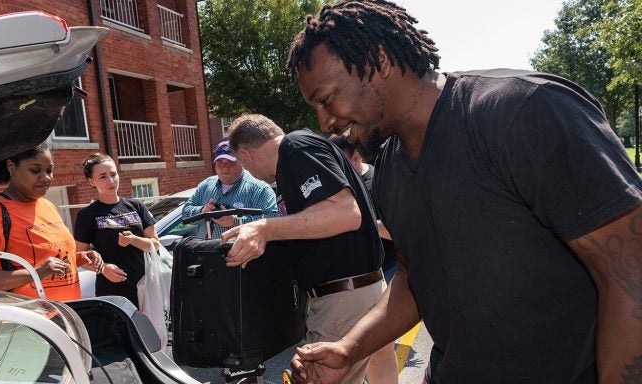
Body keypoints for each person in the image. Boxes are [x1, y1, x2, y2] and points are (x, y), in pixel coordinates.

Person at [285, 1, 642, 383]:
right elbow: (412, 277)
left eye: (326, 99)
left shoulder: (524, 112)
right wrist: (349, 348)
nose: (325, 121)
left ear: (380, 60)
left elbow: (631, 275)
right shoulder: (389, 165)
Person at [222, 114, 385, 384]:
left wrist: (265, 228)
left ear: (245, 155)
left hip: (343, 297)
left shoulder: (296, 148)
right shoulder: (295, 159)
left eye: (242, 164)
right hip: (346, 295)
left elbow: (345, 214)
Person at [0, 143, 103, 301]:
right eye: (35, 170)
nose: (46, 177)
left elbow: (48, 258)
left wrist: (79, 258)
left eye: (49, 170)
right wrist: (36, 273)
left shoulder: (48, 206)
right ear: (11, 166)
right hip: (29, 321)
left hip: (67, 314)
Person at [330, 134, 398, 384]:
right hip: (354, 274)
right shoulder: (339, 185)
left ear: (356, 156)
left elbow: (399, 230)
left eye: (340, 163)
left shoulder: (381, 180)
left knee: (381, 347)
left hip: (388, 268)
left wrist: (359, 223)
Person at [73, 153, 159, 308]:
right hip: (112, 291)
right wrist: (103, 268)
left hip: (145, 286)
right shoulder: (87, 215)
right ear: (91, 181)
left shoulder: (137, 206)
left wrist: (133, 240)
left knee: (150, 331)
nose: (111, 181)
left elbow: (155, 244)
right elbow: (79, 257)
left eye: (113, 174)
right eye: (103, 177)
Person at [182, 140, 278, 239]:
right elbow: (185, 214)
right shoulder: (205, 186)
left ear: (241, 162)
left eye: (230, 163)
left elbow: (272, 221)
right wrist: (203, 211)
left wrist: (234, 221)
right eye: (220, 162)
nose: (224, 168)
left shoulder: (259, 188)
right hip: (206, 252)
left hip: (244, 253)